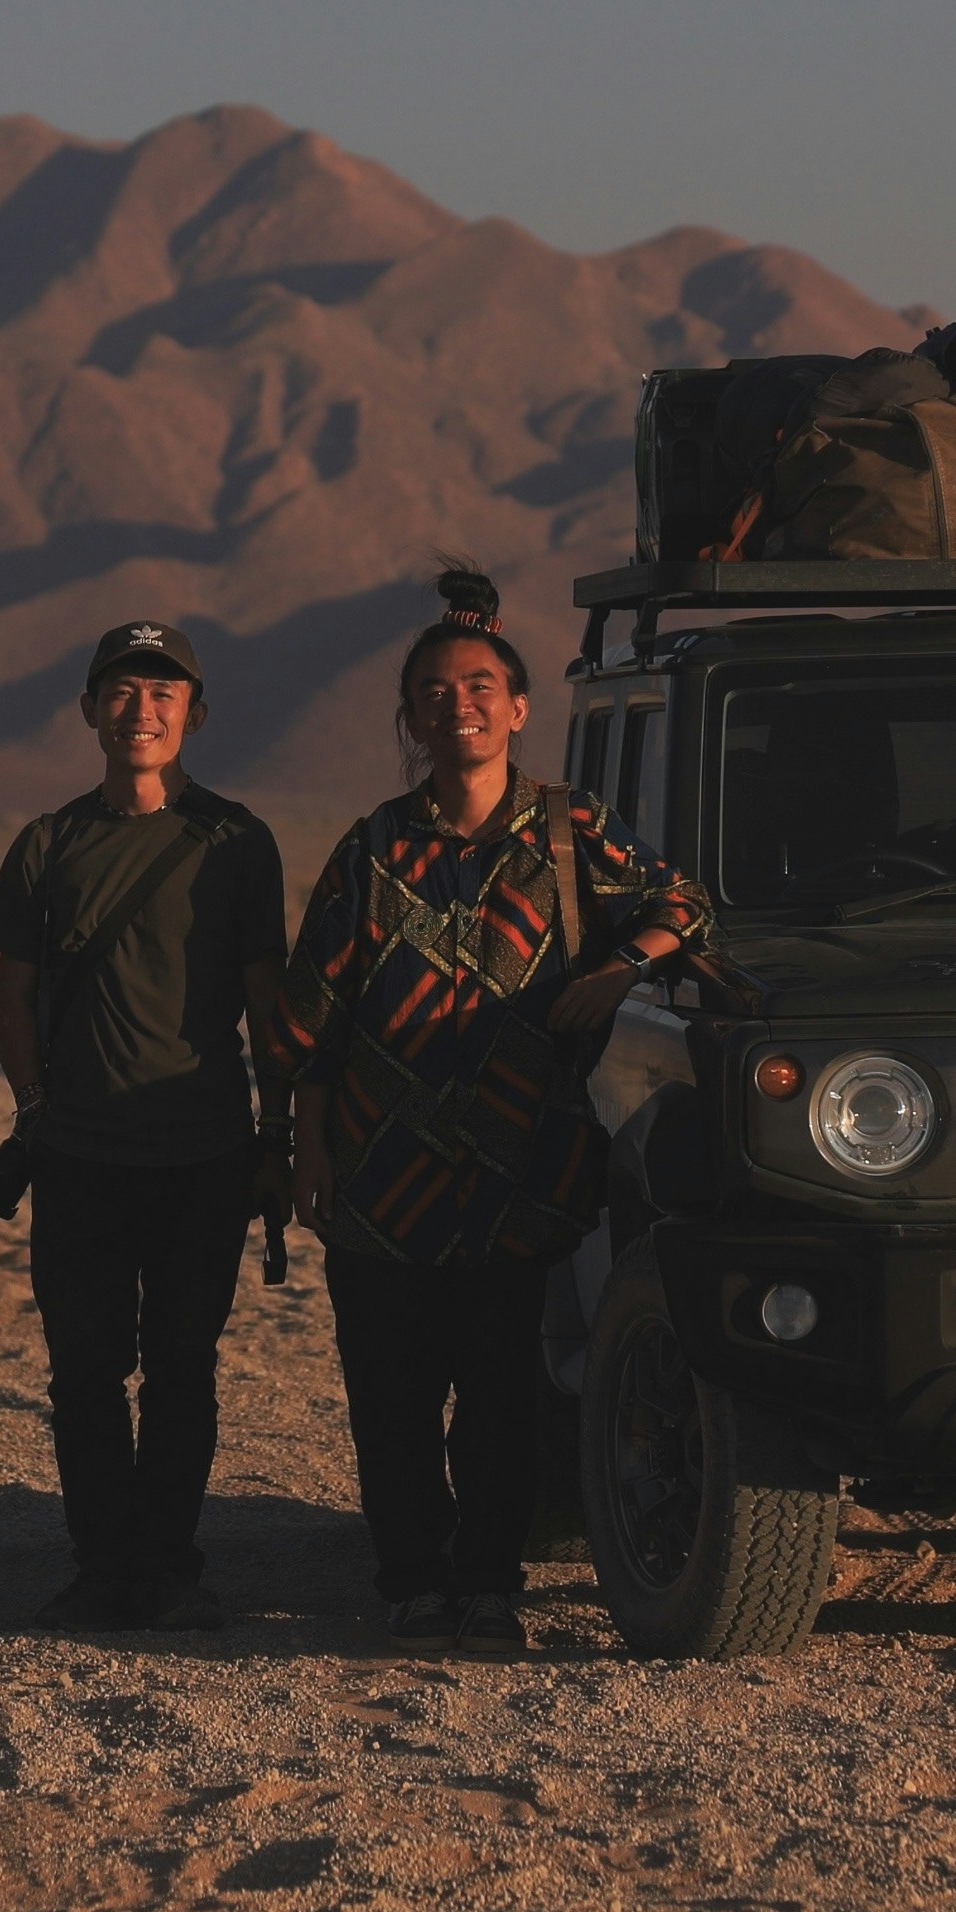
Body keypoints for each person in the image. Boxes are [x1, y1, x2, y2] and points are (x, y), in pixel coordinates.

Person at [279, 569, 713, 1659]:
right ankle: (413, 1583)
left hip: (518, 1177)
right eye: (434, 689)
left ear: (520, 708)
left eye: (480, 684)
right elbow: (310, 1021)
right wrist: (309, 1145)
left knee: (501, 1401)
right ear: (412, 718)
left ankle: (487, 1587)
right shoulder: (373, 847)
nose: (458, 702)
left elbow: (686, 904)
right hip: (379, 1182)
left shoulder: (571, 833)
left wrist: (620, 969)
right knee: (391, 1398)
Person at [0, 621, 291, 1633]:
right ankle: (101, 1564)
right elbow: (13, 995)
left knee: (184, 1372)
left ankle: (169, 1565)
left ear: (193, 712)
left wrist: (278, 1129)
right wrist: (33, 1110)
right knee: (83, 1372)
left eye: (163, 691)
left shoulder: (237, 841)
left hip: (202, 1153)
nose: (141, 708)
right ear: (88, 710)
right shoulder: (49, 843)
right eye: (121, 689)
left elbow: (266, 999)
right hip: (80, 1156)